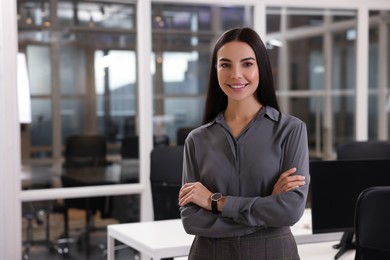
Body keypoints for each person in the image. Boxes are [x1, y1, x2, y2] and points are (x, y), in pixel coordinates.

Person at [178, 27, 310, 260]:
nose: (236, 74)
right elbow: (192, 221)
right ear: (215, 70)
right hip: (210, 254)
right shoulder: (196, 140)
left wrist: (214, 202)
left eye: (247, 64)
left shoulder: (291, 130)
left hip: (274, 254)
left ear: (261, 68)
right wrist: (267, 207)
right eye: (225, 64)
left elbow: (290, 211)